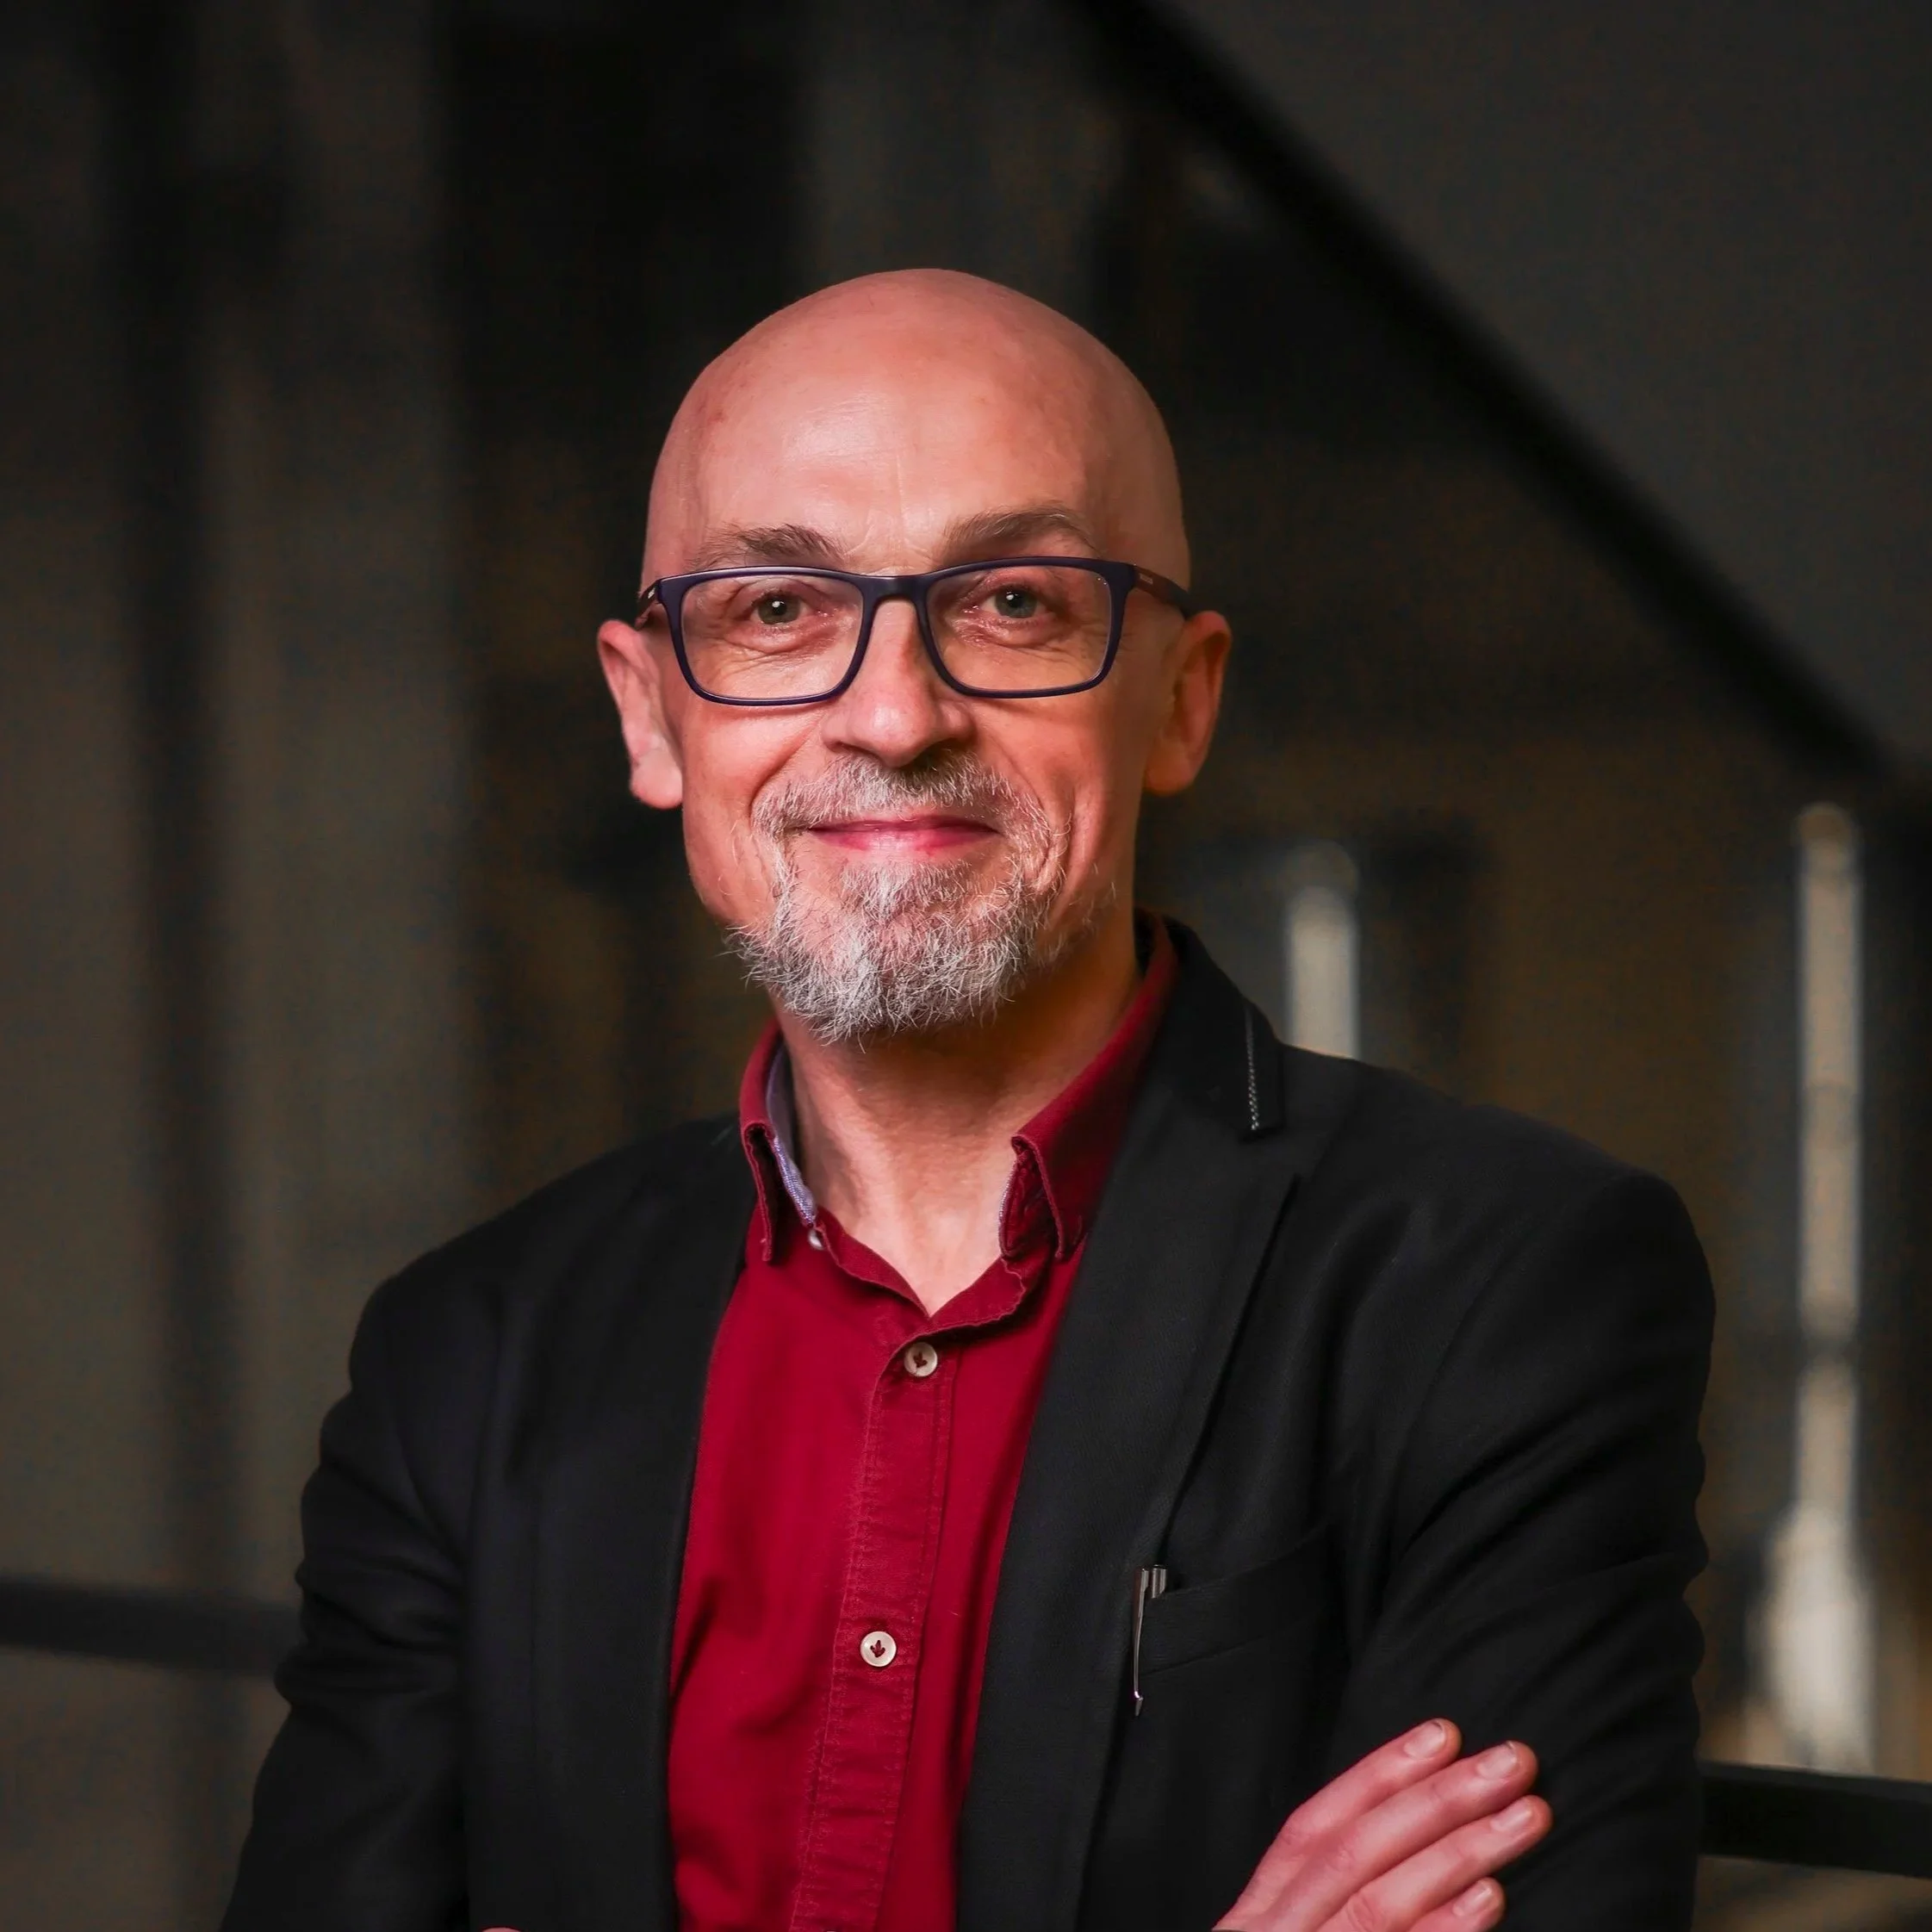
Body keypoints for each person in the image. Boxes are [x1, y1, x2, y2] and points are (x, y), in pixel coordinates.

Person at [222, 270, 1711, 1932]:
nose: (893, 713)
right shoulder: (464, 1353)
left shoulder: (1503, 1287)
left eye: (1011, 604)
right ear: (652, 715)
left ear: (1183, 695)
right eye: (775, 610)